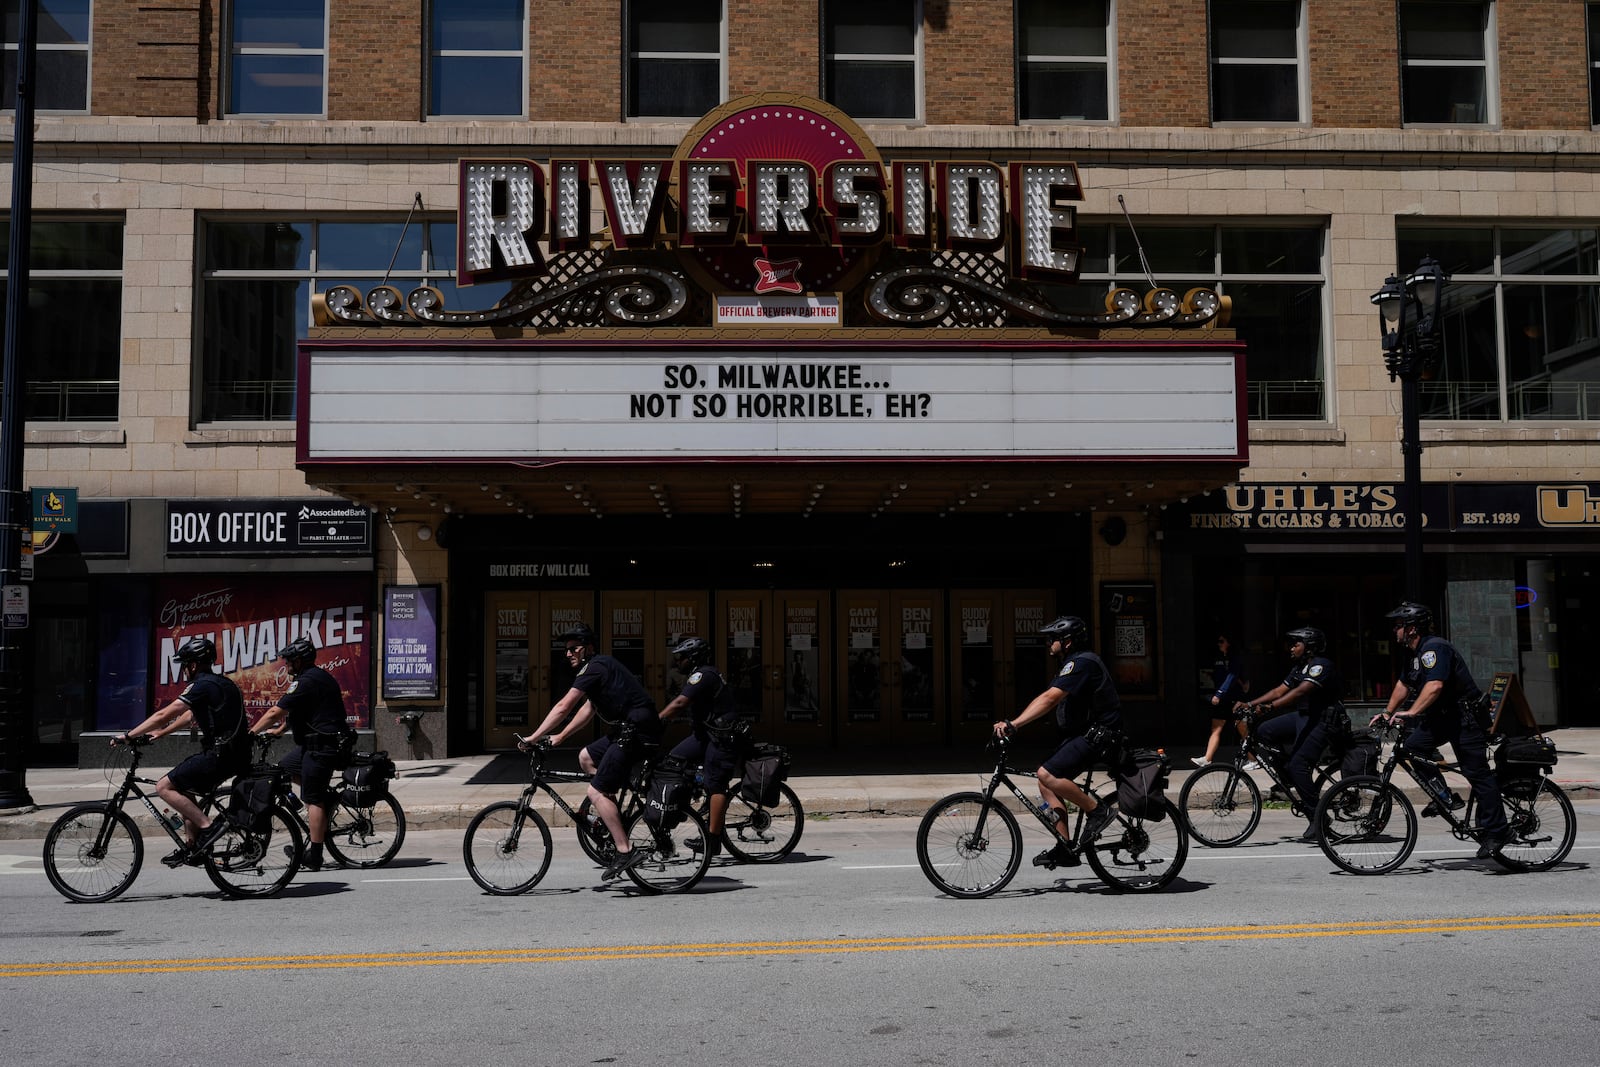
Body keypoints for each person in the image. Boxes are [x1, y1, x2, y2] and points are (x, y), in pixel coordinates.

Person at [517, 623, 664, 880]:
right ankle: (612, 814)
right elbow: (589, 708)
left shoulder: (594, 667)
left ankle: (624, 849)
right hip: (627, 730)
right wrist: (560, 737)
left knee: (594, 790)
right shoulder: (598, 669)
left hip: (638, 731)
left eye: (574, 649)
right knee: (586, 757)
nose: (568, 654)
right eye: (566, 650)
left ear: (588, 649)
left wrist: (533, 737)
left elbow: (564, 706)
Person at [1378, 601, 1510, 858]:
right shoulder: (1413, 654)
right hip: (1442, 718)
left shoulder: (1435, 648)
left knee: (1477, 773)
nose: (1395, 630)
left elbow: (1435, 685)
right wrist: (1387, 712)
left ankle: (1498, 831)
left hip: (1464, 719)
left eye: (1398, 626)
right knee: (1414, 747)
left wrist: (1412, 712)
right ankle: (1444, 796)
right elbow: (1404, 684)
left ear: (1412, 628)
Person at [991, 615, 1120, 870]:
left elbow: (1050, 699)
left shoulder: (1082, 663)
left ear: (1068, 641)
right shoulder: (1072, 663)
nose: (1049, 643)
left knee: (1046, 773)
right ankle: (1065, 848)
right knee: (1045, 781)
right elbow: (1047, 698)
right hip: (1086, 734)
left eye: (1053, 639)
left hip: (1101, 735)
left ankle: (1098, 811)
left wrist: (1014, 725)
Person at [114, 636, 249, 866]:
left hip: (219, 755)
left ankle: (208, 827)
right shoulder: (223, 683)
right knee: (183, 786)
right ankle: (192, 847)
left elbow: (164, 713)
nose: (184, 670)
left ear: (193, 665)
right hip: (234, 753)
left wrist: (129, 735)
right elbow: (189, 715)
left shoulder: (201, 684)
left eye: (185, 665)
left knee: (164, 786)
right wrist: (163, 733)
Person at [249, 636, 354, 872]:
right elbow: (305, 711)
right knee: (284, 769)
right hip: (314, 745)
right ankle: (323, 801)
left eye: (288, 661)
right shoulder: (315, 677)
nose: (285, 666)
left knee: (312, 799)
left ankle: (315, 855)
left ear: (299, 660)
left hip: (321, 748)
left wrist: (251, 733)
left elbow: (276, 711)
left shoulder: (307, 681)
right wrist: (280, 731)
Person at [1239, 626, 1343, 841]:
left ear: (1309, 647)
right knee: (1264, 731)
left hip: (1323, 720)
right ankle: (1288, 774)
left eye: (1296, 644)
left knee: (1299, 765)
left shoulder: (1321, 665)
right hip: (1304, 716)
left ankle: (1318, 818)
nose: (1291, 648)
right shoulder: (1300, 667)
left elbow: (1301, 691)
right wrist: (1251, 703)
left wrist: (1271, 707)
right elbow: (1279, 690)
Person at [657, 636, 741, 860]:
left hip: (721, 738)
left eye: (682, 657)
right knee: (674, 760)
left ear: (693, 657)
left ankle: (712, 841)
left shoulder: (703, 675)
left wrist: (658, 720)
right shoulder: (701, 674)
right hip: (705, 735)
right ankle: (696, 792)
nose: (678, 661)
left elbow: (680, 703)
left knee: (716, 785)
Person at [1194, 633, 1249, 767]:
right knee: (1216, 728)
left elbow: (1232, 677)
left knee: (1242, 729)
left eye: (1221, 641)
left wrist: (1219, 694)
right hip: (1223, 699)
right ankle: (1207, 758)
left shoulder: (1235, 658)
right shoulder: (1219, 657)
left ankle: (1253, 759)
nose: (1218, 644)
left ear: (1229, 643)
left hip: (1234, 698)